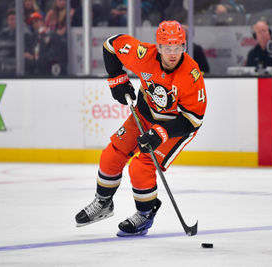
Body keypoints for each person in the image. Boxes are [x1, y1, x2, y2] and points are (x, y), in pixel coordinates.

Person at [75, 20, 207, 237]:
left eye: (177, 47)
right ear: (159, 46)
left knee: (141, 166)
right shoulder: (142, 54)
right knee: (112, 153)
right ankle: (103, 202)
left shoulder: (191, 75)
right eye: (167, 48)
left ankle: (145, 214)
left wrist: (161, 133)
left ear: (184, 46)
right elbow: (111, 45)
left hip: (176, 126)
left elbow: (193, 119)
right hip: (145, 115)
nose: (172, 54)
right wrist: (116, 80)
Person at [25, 12, 67, 76]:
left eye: (36, 21)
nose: (34, 24)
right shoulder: (33, 37)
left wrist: (34, 58)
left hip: (47, 73)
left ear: (42, 21)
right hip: (34, 72)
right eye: (32, 23)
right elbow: (28, 52)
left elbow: (53, 55)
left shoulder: (53, 35)